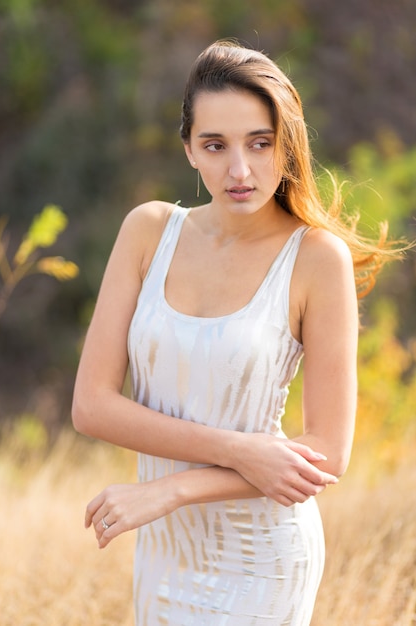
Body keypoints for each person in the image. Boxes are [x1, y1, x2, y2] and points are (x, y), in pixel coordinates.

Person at [72, 40, 398, 625]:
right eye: (215, 146)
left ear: (286, 145)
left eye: (260, 143)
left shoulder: (315, 258)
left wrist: (172, 489)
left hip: (262, 557)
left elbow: (326, 454)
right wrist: (237, 448)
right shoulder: (148, 231)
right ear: (189, 151)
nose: (239, 170)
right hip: (164, 551)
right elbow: (91, 406)